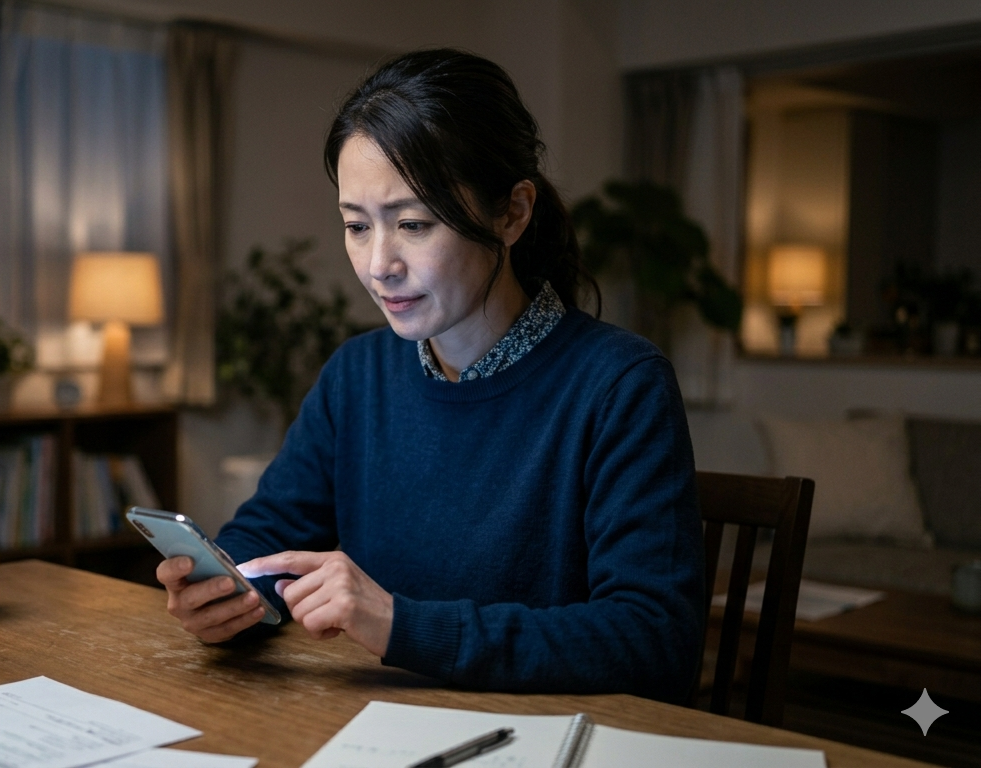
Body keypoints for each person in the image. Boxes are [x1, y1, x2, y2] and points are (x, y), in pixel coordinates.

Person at [156, 49, 704, 702]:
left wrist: (398, 624)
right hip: (375, 725)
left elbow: (654, 639)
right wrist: (227, 593)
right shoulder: (357, 375)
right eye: (357, 226)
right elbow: (266, 537)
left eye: (414, 224)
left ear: (512, 213)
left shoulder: (620, 385)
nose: (379, 263)